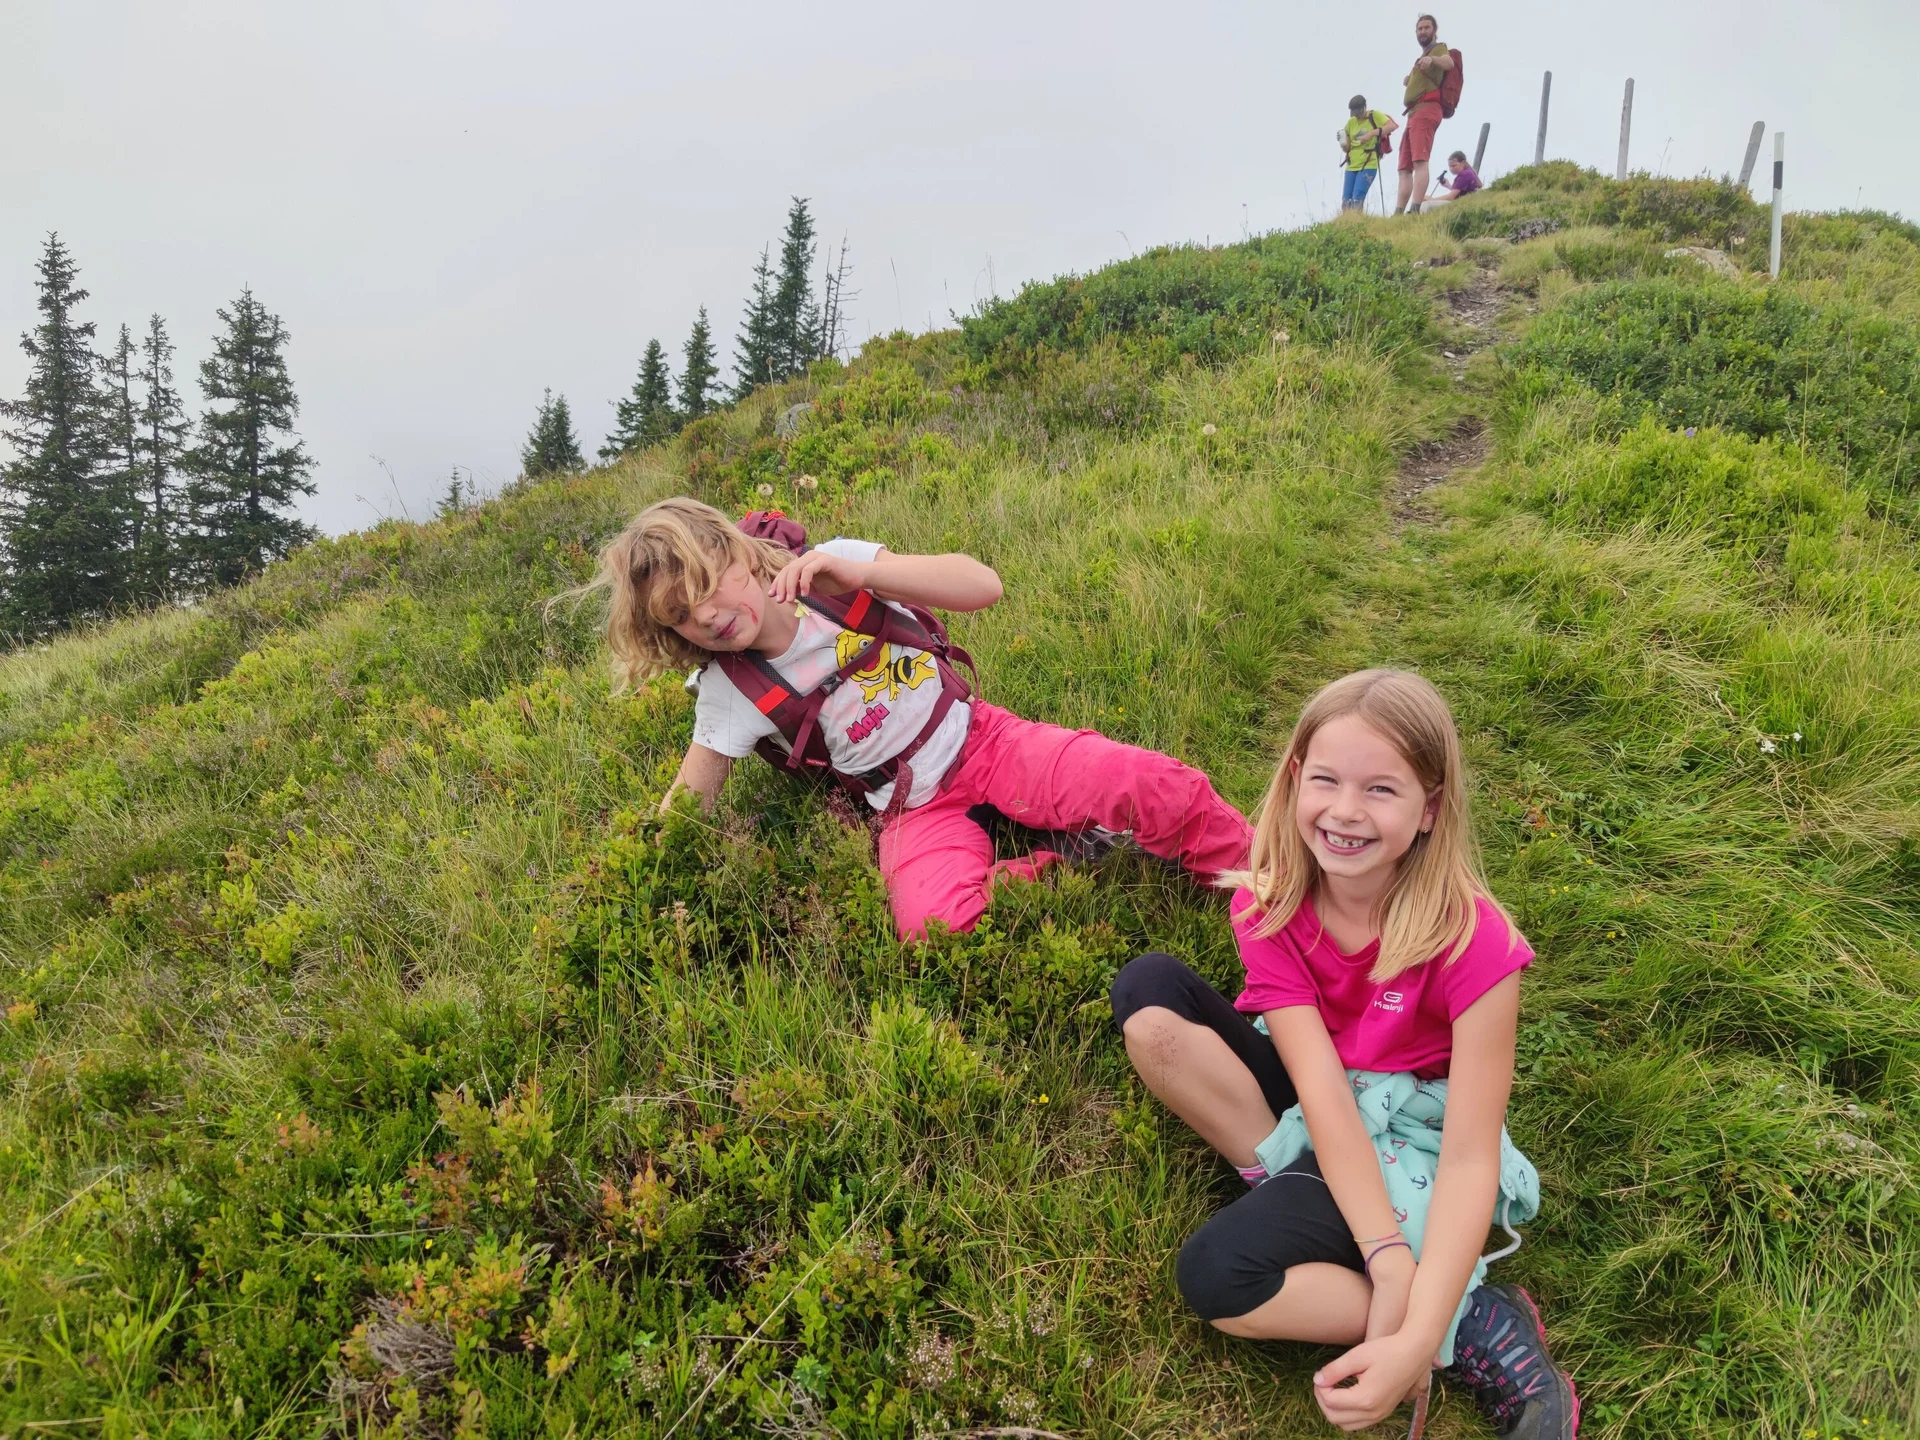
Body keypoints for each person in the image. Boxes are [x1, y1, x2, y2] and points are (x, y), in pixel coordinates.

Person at [1109, 669, 1579, 1437]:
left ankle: (1463, 1323)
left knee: (1218, 1277)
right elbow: (1320, 1088)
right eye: (1325, 780)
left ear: (1430, 809)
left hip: (1408, 1132)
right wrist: (1386, 1253)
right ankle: (1355, 1238)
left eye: (1382, 791)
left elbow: (1467, 1159)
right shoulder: (1268, 902)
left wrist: (1413, 1339)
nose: (1346, 813)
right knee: (1148, 993)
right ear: (1295, 780)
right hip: (1323, 1100)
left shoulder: (1478, 942)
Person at [582, 497, 1252, 940]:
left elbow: (982, 586)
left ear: (736, 552)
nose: (705, 616)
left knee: (1157, 784)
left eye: (707, 586)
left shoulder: (835, 567)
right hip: (908, 810)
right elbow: (689, 800)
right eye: (679, 615)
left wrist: (858, 574)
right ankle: (1062, 853)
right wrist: (623, 877)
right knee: (934, 930)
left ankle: (1263, 880)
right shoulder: (727, 689)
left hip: (984, 740)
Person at [1395, 14, 1454, 215]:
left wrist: (1432, 59)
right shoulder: (1421, 58)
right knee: (1404, 167)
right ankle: (1399, 212)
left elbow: (1449, 62)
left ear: (1434, 30)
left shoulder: (1438, 49)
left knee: (1420, 161)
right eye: (1419, 29)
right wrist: (1409, 80)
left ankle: (1415, 208)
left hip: (1426, 109)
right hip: (1413, 114)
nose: (1423, 31)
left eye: (1426, 28)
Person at [1337, 96, 1399, 212]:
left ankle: (1357, 222)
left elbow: (1392, 126)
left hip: (1368, 163)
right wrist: (1343, 143)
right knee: (1346, 200)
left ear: (1364, 107)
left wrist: (1371, 134)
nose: (1357, 115)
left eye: (1359, 112)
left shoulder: (1374, 116)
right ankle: (1346, 224)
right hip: (1352, 164)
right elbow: (1348, 148)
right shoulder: (1351, 122)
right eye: (1354, 113)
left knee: (1357, 198)